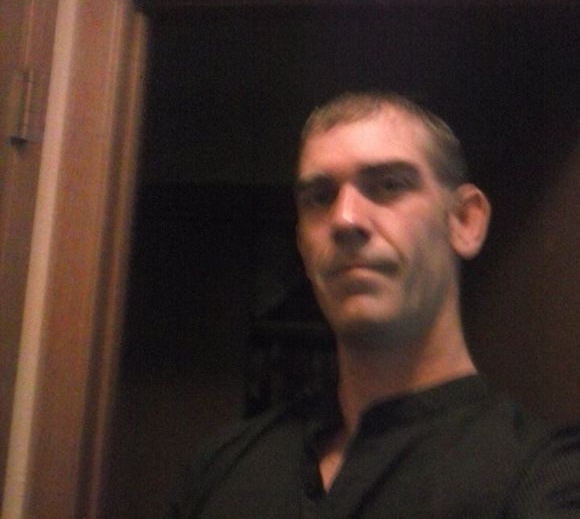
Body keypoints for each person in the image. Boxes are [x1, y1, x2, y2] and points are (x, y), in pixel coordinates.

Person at [168, 92, 580, 518]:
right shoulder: (223, 469)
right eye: (320, 197)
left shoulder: (545, 479)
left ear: (464, 221)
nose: (344, 219)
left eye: (389, 185)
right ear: (302, 245)